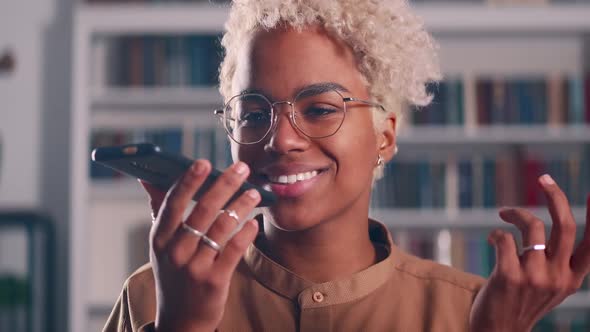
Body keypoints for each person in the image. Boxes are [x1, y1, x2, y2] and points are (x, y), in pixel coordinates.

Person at [103, 0, 590, 331]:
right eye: (253, 113)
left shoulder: (471, 311)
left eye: (319, 108)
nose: (282, 139)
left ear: (385, 134)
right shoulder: (156, 297)